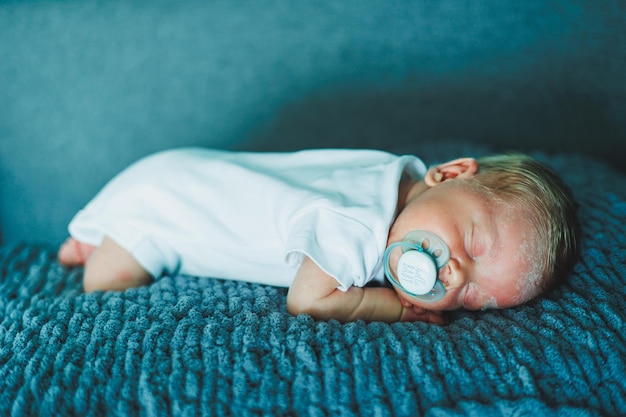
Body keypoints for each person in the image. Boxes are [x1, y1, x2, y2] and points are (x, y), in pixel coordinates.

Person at [57, 147, 579, 324]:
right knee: (105, 292)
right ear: (448, 172)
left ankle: (85, 238)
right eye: (471, 243)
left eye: (471, 298)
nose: (452, 273)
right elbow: (309, 300)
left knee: (104, 243)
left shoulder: (393, 180)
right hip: (162, 210)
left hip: (178, 172)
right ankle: (101, 241)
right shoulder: (359, 225)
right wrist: (396, 308)